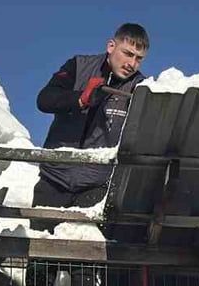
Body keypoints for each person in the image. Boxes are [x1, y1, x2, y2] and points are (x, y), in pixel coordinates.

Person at [33, 22, 150, 211]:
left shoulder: (140, 88)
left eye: (139, 59)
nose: (132, 64)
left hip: (95, 189)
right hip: (53, 180)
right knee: (40, 239)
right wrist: (80, 99)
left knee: (84, 240)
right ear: (111, 46)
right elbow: (44, 100)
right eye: (127, 54)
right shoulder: (78, 65)